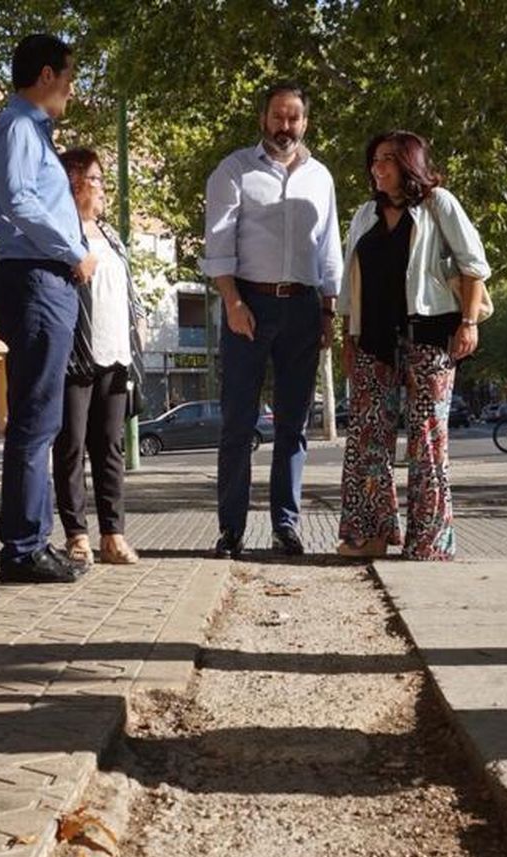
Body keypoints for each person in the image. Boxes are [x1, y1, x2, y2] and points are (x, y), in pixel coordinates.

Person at [201, 83, 342, 560]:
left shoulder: (320, 177)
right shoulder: (233, 171)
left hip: (303, 307)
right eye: (278, 117)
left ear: (306, 122)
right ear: (263, 118)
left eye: (295, 118)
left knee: (293, 424)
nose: (286, 127)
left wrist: (327, 311)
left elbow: (329, 251)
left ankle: (286, 525)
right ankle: (232, 530)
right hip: (249, 307)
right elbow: (218, 246)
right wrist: (233, 302)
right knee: (238, 424)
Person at [335, 130, 490, 562]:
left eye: (386, 159)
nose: (376, 168)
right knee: (367, 439)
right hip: (371, 340)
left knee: (427, 439)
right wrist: (348, 336)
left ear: (409, 163)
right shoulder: (365, 214)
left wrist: (469, 323)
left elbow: (473, 266)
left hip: (430, 337)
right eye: (374, 160)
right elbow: (351, 283)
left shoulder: (438, 204)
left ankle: (430, 540)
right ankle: (372, 534)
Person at [0, 34, 100, 584]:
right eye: (70, 78)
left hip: (39, 280)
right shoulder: (19, 128)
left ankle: (31, 542)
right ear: (48, 74)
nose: (71, 91)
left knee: (41, 418)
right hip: (34, 280)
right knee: (35, 419)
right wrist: (74, 249)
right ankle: (24, 548)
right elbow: (20, 200)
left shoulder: (30, 131)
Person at [52, 147, 143, 567]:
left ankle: (113, 534)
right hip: (75, 358)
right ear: (73, 183)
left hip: (115, 357)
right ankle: (77, 536)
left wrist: (138, 326)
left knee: (110, 448)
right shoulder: (57, 234)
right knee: (71, 446)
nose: (103, 187)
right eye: (97, 179)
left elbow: (130, 291)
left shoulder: (111, 236)